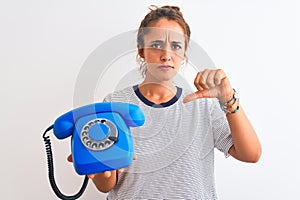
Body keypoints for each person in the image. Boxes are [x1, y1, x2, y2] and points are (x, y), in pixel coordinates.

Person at [69, 5, 261, 199]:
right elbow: (106, 185)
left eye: (176, 46)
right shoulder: (114, 103)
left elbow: (251, 154)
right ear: (141, 50)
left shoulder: (203, 106)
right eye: (157, 44)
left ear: (184, 54)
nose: (166, 55)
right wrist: (99, 163)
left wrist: (228, 100)